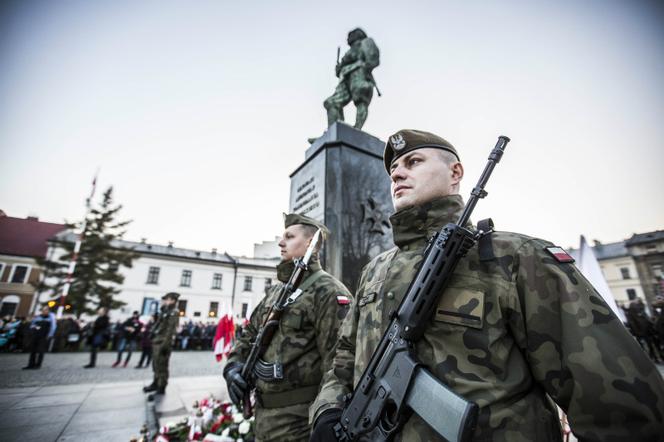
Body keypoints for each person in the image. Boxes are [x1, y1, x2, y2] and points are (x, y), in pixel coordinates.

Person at [310, 129, 664, 441]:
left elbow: (617, 402)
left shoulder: (515, 257)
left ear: (456, 172)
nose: (398, 173)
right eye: (393, 170)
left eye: (413, 161)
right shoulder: (376, 270)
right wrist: (327, 411)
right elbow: (345, 355)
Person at [224, 214, 353, 442]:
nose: (281, 243)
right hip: (264, 418)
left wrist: (325, 417)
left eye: (289, 237)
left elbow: (337, 362)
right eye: (282, 237)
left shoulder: (329, 291)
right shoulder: (277, 291)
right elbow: (250, 334)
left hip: (299, 422)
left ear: (311, 242)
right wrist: (234, 366)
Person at [323, 28, 380, 131]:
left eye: (350, 35)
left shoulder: (365, 42)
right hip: (345, 78)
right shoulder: (350, 51)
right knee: (331, 102)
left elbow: (373, 60)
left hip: (359, 75)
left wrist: (364, 69)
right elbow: (340, 70)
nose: (348, 38)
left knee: (360, 100)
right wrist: (339, 69)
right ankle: (334, 131)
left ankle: (357, 129)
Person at [143, 292, 180, 397]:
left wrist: (166, 344)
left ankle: (161, 386)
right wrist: (152, 333)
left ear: (173, 300)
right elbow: (158, 324)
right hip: (157, 340)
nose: (165, 301)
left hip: (163, 342)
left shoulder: (174, 312)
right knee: (155, 364)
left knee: (162, 365)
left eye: (167, 299)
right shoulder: (164, 311)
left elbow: (170, 330)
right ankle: (156, 382)